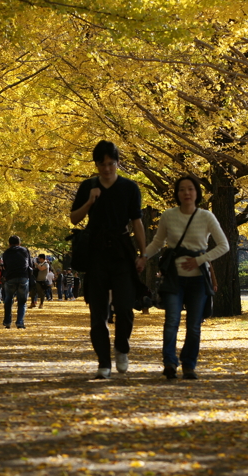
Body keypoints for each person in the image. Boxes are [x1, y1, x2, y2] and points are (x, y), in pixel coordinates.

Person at [69, 140, 148, 379]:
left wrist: (143, 254)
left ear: (118, 163)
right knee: (98, 312)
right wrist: (90, 201)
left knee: (124, 307)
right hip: (96, 253)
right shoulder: (88, 186)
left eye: (111, 163)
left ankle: (121, 348)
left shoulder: (129, 188)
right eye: (102, 164)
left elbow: (137, 222)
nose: (107, 168)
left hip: (122, 251)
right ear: (96, 164)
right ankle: (103, 362)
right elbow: (74, 219)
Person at [145, 175, 229, 380]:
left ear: (197, 193)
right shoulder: (168, 216)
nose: (186, 193)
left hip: (198, 280)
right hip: (174, 278)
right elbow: (157, 243)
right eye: (182, 189)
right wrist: (142, 257)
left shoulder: (207, 217)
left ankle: (189, 364)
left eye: (190, 189)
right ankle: (170, 362)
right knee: (171, 320)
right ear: (177, 193)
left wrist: (201, 260)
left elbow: (224, 246)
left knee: (193, 325)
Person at [1, 235, 32, 329]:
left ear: (9, 244)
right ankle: (20, 322)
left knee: (8, 299)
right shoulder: (25, 250)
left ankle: (7, 322)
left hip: (10, 277)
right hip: (23, 276)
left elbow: (5, 266)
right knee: (22, 301)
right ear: (19, 243)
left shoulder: (6, 252)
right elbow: (29, 264)